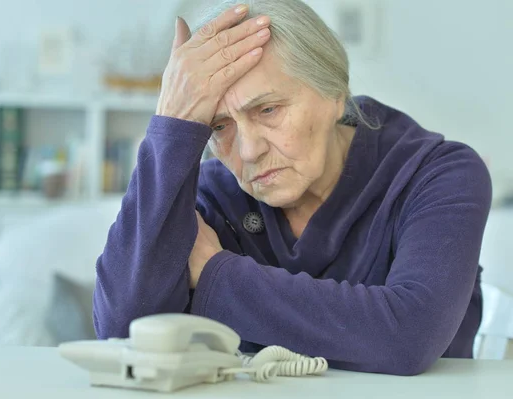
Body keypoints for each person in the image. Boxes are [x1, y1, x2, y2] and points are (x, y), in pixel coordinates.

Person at [92, 0, 492, 376]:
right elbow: (122, 332)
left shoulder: (438, 174)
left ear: (336, 93)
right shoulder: (211, 194)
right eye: (218, 126)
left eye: (268, 110)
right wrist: (171, 127)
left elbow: (411, 335)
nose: (248, 151)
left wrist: (217, 274)